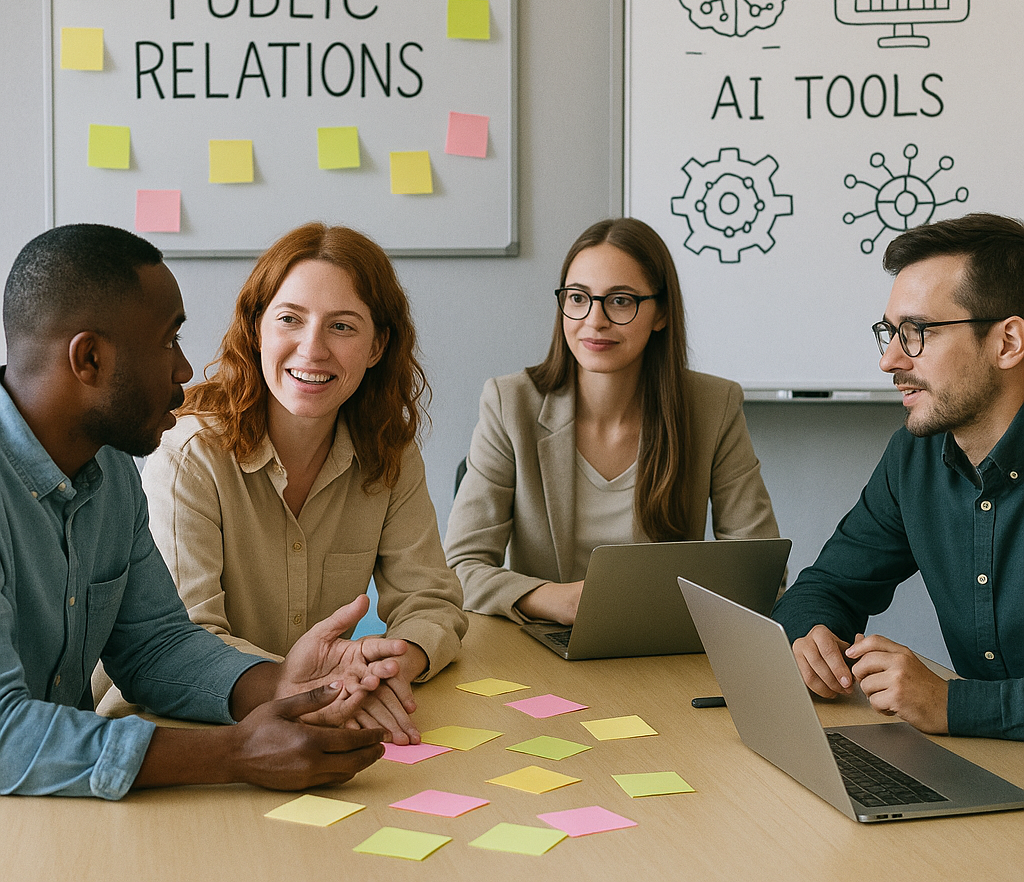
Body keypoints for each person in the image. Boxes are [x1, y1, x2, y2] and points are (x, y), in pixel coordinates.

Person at [0, 223, 405, 799]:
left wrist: (282, 683)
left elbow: (155, 644)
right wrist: (234, 753)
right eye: (168, 341)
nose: (185, 370)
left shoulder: (110, 469)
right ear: (88, 358)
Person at [141, 222, 467, 746]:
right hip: (192, 729)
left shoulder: (390, 452)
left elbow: (430, 601)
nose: (312, 349)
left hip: (320, 719)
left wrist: (393, 665)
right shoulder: (189, 454)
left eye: (343, 327)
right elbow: (185, 641)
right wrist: (327, 686)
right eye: (290, 319)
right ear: (257, 328)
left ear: (378, 345)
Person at [444, 217, 779, 624]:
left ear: (661, 313)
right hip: (538, 643)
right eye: (578, 298)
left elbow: (761, 572)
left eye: (621, 300)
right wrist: (553, 599)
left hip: (657, 646)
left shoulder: (713, 406)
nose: (595, 320)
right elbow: (460, 568)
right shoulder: (510, 403)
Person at [773, 212, 1024, 741]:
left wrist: (953, 703)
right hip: (989, 767)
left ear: (1007, 343)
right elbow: (825, 587)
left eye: (916, 334)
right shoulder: (915, 456)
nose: (889, 360)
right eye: (890, 333)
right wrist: (810, 635)